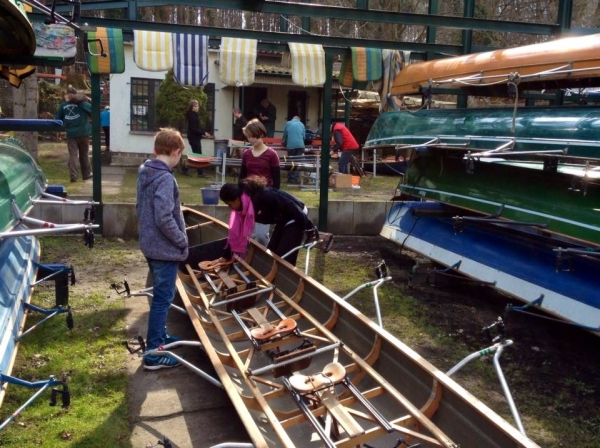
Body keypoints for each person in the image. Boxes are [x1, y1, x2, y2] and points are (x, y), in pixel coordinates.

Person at [136, 128, 189, 370]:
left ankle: (161, 337)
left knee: (161, 297)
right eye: (180, 154)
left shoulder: (145, 171)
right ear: (176, 151)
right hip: (165, 249)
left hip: (149, 244)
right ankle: (154, 353)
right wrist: (181, 240)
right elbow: (164, 217)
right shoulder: (166, 178)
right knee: (162, 299)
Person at [217, 176, 315, 266]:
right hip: (282, 219)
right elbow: (236, 234)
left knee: (284, 260)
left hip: (296, 215)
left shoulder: (263, 196)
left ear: (236, 199)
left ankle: (288, 283)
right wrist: (225, 257)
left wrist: (310, 227)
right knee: (271, 254)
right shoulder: (242, 209)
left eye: (229, 204)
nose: (231, 208)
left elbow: (291, 206)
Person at [240, 119, 281, 246]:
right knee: (249, 234)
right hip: (249, 197)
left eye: (254, 136)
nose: (251, 139)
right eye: (249, 137)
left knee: (261, 235)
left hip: (266, 197)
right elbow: (242, 177)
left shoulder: (272, 154)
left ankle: (266, 259)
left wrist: (273, 199)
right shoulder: (246, 154)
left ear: (262, 134)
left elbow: (277, 180)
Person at [55, 86, 93, 182]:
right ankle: (86, 174)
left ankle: (73, 176)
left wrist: (58, 130)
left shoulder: (63, 105)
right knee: (84, 154)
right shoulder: (83, 104)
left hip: (71, 134)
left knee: (73, 155)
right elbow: (94, 111)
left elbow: (57, 120)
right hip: (84, 132)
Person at [181, 99, 211, 177]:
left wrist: (203, 133)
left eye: (197, 106)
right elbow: (194, 129)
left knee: (196, 155)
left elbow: (198, 128)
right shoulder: (192, 116)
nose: (197, 107)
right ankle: (198, 172)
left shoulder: (194, 115)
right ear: (192, 107)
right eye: (195, 106)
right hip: (193, 138)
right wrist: (203, 133)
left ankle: (187, 168)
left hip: (195, 137)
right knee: (197, 155)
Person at [281, 116, 305, 185]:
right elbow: (304, 136)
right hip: (300, 146)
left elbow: (285, 134)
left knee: (290, 162)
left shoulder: (288, 123)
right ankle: (294, 179)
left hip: (291, 146)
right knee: (297, 163)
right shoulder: (301, 124)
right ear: (299, 120)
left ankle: (290, 178)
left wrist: (284, 142)